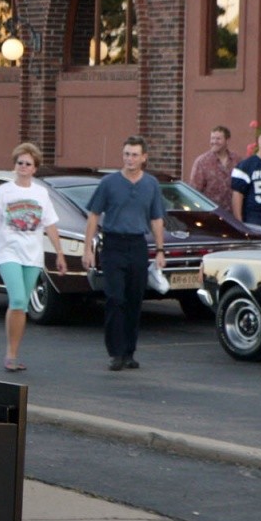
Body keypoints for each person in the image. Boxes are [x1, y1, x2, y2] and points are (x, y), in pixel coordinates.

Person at [0, 142, 69, 371]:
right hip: (7, 252)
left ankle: (14, 351)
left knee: (21, 306)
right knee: (19, 298)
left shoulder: (41, 193)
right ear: (15, 166)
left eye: (27, 164)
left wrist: (59, 253)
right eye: (19, 163)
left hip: (32, 256)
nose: (23, 167)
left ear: (34, 168)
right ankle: (9, 355)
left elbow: (50, 226)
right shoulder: (3, 192)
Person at [84, 136, 167, 371]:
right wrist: (88, 249)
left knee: (133, 300)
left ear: (144, 157)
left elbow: (157, 218)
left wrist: (160, 250)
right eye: (126, 154)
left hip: (138, 246)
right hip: (113, 245)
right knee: (115, 298)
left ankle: (129, 351)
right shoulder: (109, 183)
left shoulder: (150, 184)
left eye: (134, 155)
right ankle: (116, 353)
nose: (129, 159)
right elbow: (93, 216)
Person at [189, 125, 236, 208]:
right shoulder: (202, 162)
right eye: (212, 138)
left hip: (232, 214)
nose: (214, 142)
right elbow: (194, 191)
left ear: (227, 140)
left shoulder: (237, 160)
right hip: (210, 214)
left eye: (218, 139)